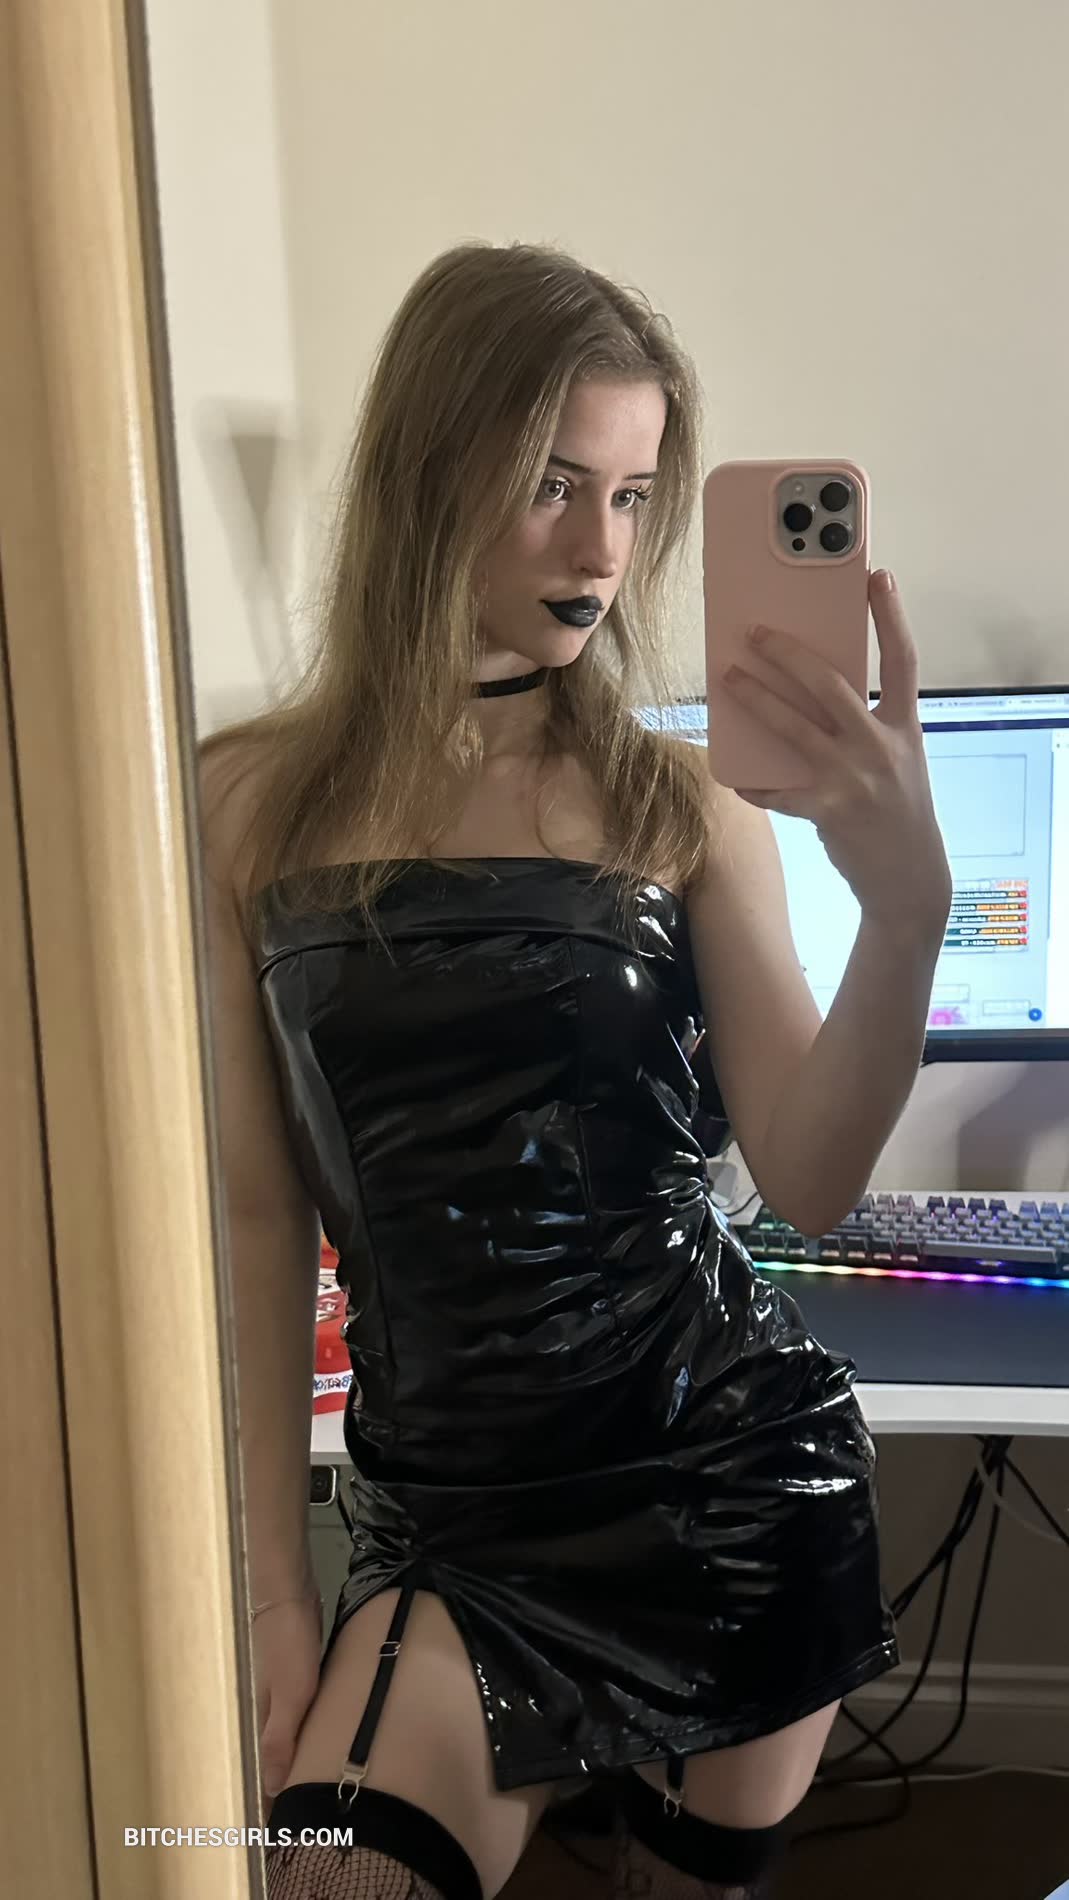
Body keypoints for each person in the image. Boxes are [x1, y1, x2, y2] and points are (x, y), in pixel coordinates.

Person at [198, 241, 953, 1900]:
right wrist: (267, 1594)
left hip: (727, 1482)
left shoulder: (685, 803)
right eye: (552, 484)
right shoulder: (245, 801)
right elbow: (255, 1217)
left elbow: (812, 1178)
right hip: (452, 1531)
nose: (599, 549)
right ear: (427, 470)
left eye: (629, 496)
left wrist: (905, 914)